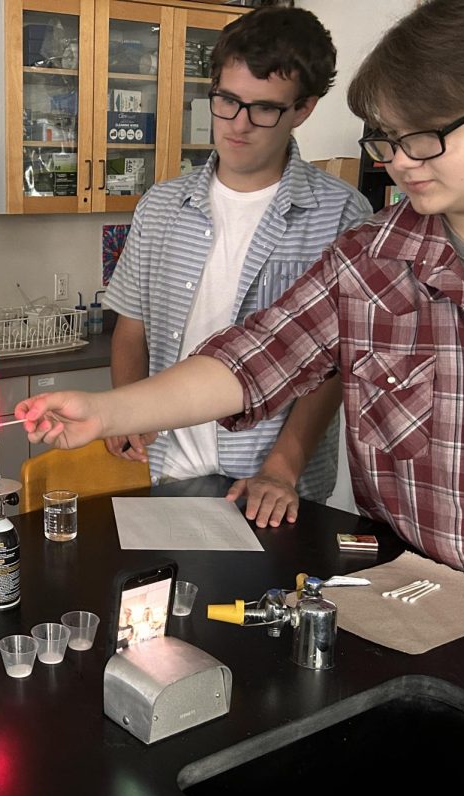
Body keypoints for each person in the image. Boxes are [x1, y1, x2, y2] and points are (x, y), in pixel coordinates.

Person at [17, 0, 464, 597]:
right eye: (388, 140)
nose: (401, 163)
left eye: (426, 136)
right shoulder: (371, 257)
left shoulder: (338, 213)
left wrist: (282, 466)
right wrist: (107, 411)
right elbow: (256, 357)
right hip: (413, 594)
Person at [104, 5, 371, 527]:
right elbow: (130, 327)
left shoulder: (341, 213)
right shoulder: (160, 206)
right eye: (227, 101)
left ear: (304, 108)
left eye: (264, 109)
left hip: (270, 485)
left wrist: (282, 466)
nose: (238, 125)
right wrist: (125, 410)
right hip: (169, 471)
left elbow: (335, 364)